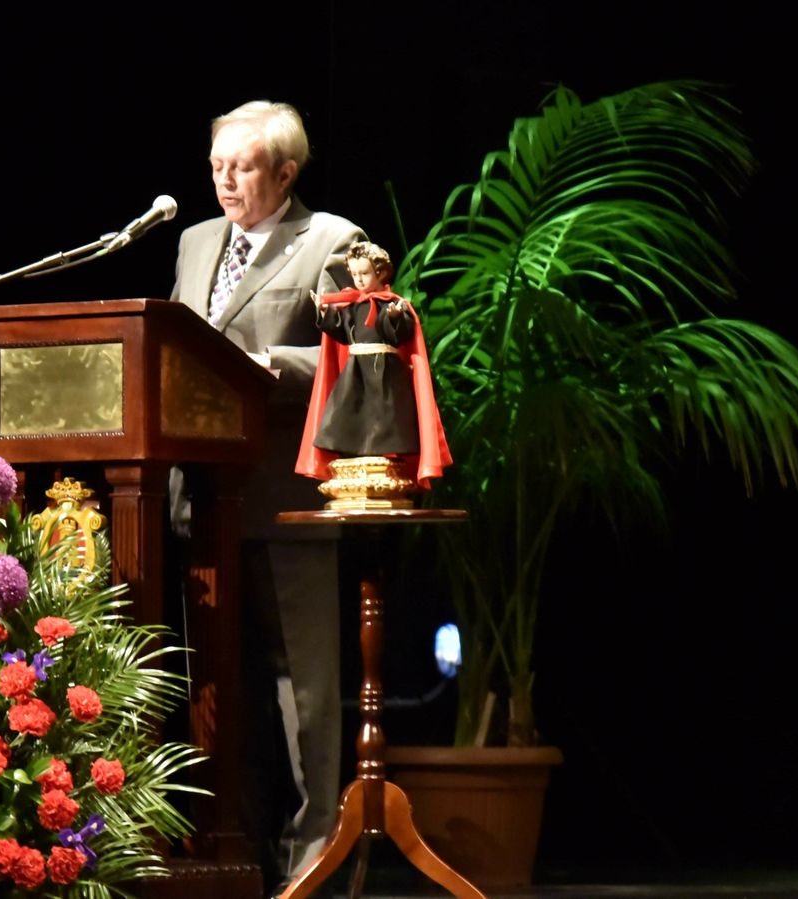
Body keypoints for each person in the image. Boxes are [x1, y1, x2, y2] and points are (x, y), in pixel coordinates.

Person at [168, 99, 366, 888]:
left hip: (285, 502)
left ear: (285, 172)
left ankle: (318, 861)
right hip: (199, 505)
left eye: (241, 166)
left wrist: (265, 368)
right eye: (215, 164)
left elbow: (357, 358)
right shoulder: (192, 243)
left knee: (307, 700)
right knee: (216, 692)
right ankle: (229, 855)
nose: (223, 179)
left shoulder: (331, 240)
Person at [296, 240, 451, 487]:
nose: (358, 279)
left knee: (383, 415)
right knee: (350, 412)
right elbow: (340, 331)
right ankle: (354, 454)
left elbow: (398, 335)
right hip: (356, 370)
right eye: (354, 274)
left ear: (380, 272)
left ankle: (383, 456)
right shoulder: (353, 305)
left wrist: (395, 318)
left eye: (364, 273)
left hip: (384, 372)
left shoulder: (392, 304)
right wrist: (325, 313)